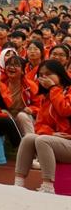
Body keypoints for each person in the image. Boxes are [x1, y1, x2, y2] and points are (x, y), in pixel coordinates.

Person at [14, 60, 71, 193]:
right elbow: (40, 125)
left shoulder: (65, 92)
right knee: (29, 138)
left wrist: (53, 89)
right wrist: (52, 134)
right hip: (59, 142)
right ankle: (19, 183)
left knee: (42, 140)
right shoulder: (46, 97)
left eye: (49, 74)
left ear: (60, 75)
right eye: (41, 75)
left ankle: (48, 186)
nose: (44, 78)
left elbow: (65, 109)